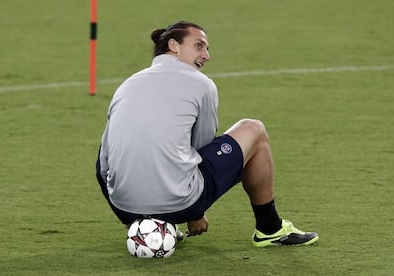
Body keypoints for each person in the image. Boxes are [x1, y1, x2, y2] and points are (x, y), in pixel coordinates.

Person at [96, 21, 318, 247]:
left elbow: (103, 166)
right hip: (182, 204)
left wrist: (126, 213)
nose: (207, 55)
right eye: (199, 46)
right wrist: (195, 213)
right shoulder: (201, 84)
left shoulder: (127, 84)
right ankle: (270, 228)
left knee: (112, 146)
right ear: (174, 45)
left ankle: (148, 221)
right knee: (254, 130)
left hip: (123, 206)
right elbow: (202, 148)